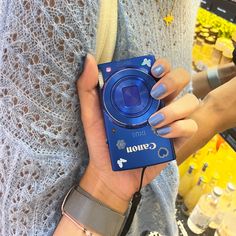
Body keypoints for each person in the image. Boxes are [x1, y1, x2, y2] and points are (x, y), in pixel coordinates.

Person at [0, 0, 201, 236]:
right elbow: (17, 221)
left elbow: (168, 140)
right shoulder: (58, 8)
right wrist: (106, 190)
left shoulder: (187, 5)